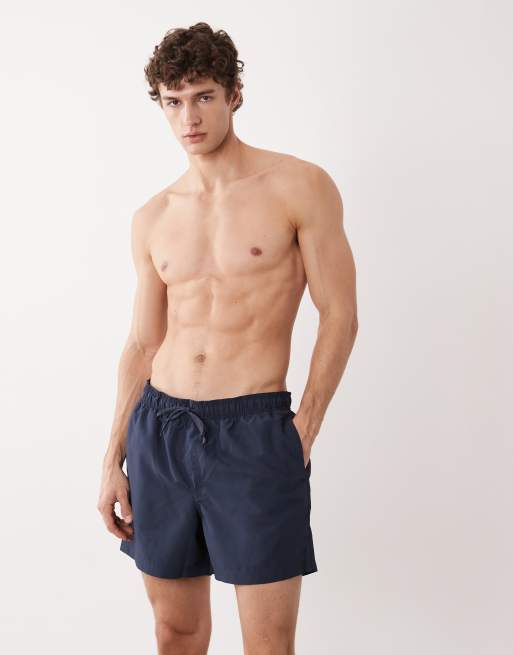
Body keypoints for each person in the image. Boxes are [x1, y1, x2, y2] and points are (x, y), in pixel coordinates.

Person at [97, 21, 358, 655]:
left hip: (254, 431)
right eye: (173, 101)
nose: (189, 117)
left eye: (204, 96)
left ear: (234, 94)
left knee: (268, 643)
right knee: (176, 632)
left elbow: (340, 313)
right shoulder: (153, 216)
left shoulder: (299, 186)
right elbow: (143, 343)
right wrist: (112, 459)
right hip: (160, 432)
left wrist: (303, 430)